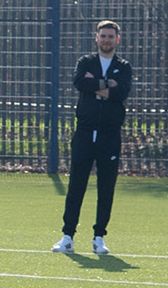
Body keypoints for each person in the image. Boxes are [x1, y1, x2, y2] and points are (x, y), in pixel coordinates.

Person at [55, 20, 132, 256]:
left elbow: (122, 92)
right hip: (85, 133)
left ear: (117, 40)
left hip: (110, 134)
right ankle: (68, 236)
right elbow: (80, 82)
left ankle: (99, 237)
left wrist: (96, 85)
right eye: (103, 36)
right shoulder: (85, 62)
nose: (107, 40)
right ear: (96, 38)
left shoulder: (124, 66)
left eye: (111, 36)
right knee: (76, 185)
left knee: (106, 187)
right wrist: (106, 84)